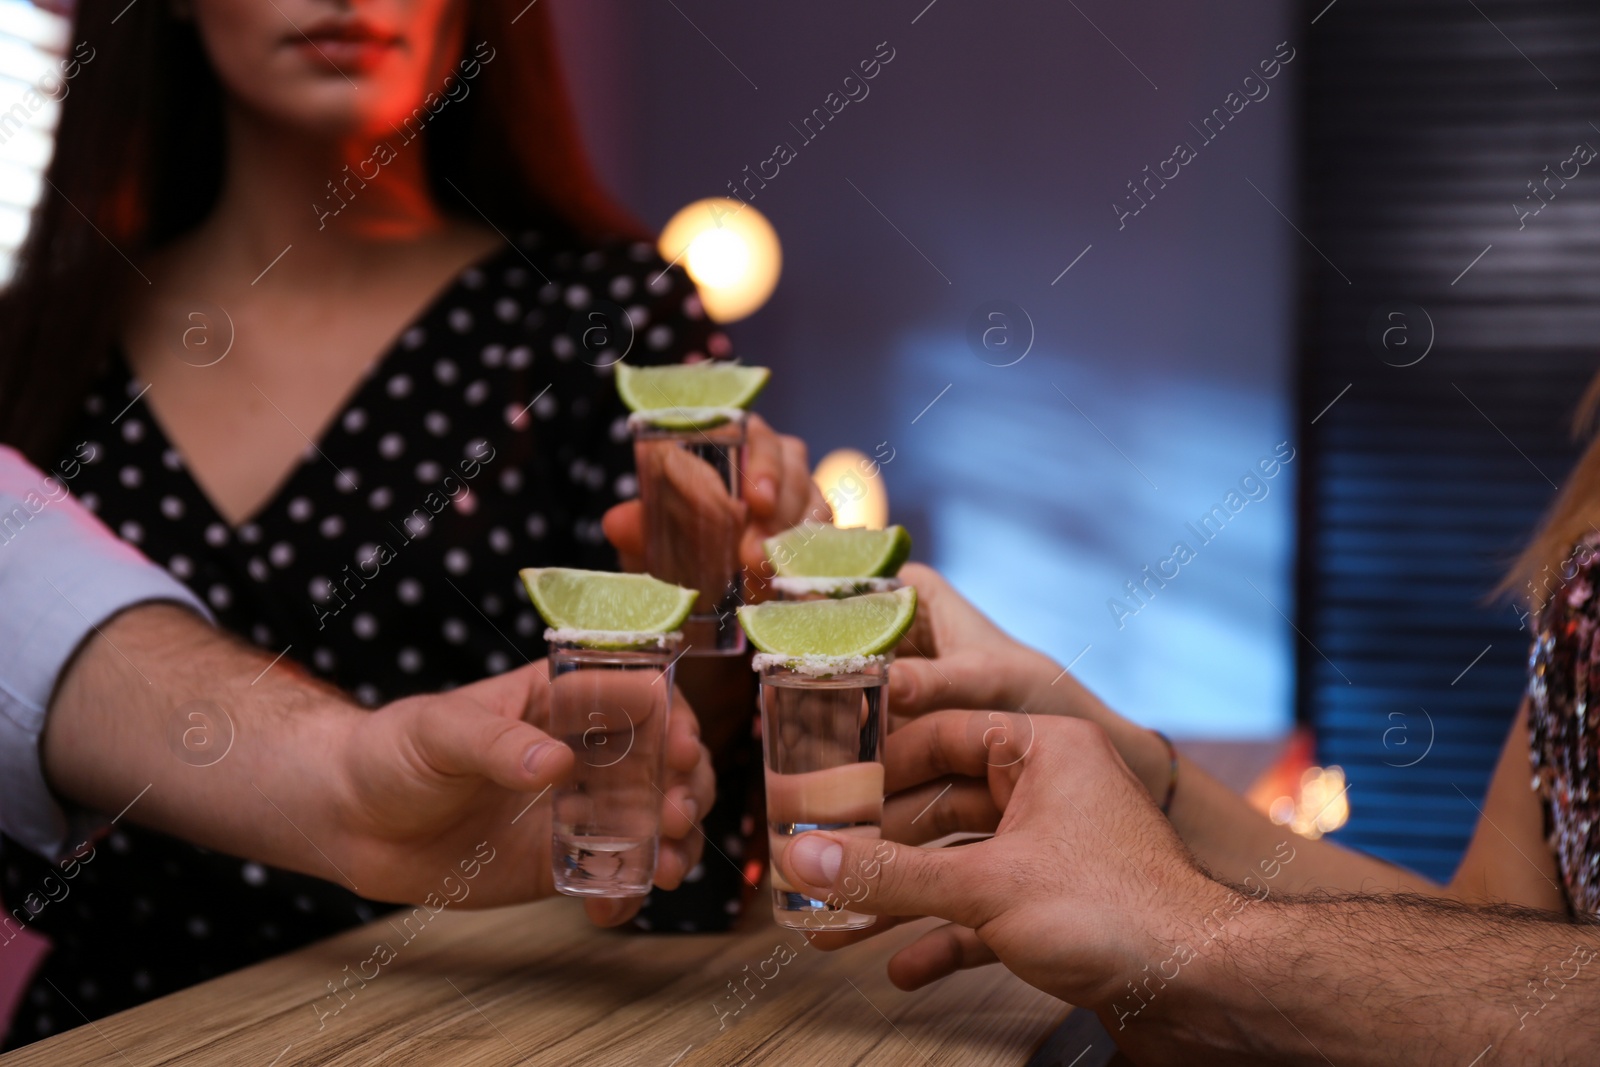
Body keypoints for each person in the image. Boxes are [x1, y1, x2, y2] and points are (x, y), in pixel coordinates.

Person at [0, 0, 817, 1039]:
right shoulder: (39, 337)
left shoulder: (600, 312)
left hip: (484, 1026)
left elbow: (666, 804)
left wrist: (711, 595)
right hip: (115, 1028)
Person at [0, 446, 713, 1042]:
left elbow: (35, 592)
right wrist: (347, 782)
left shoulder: (581, 318)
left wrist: (347, 781)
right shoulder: (54, 332)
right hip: (110, 1016)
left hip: (477, 1006)